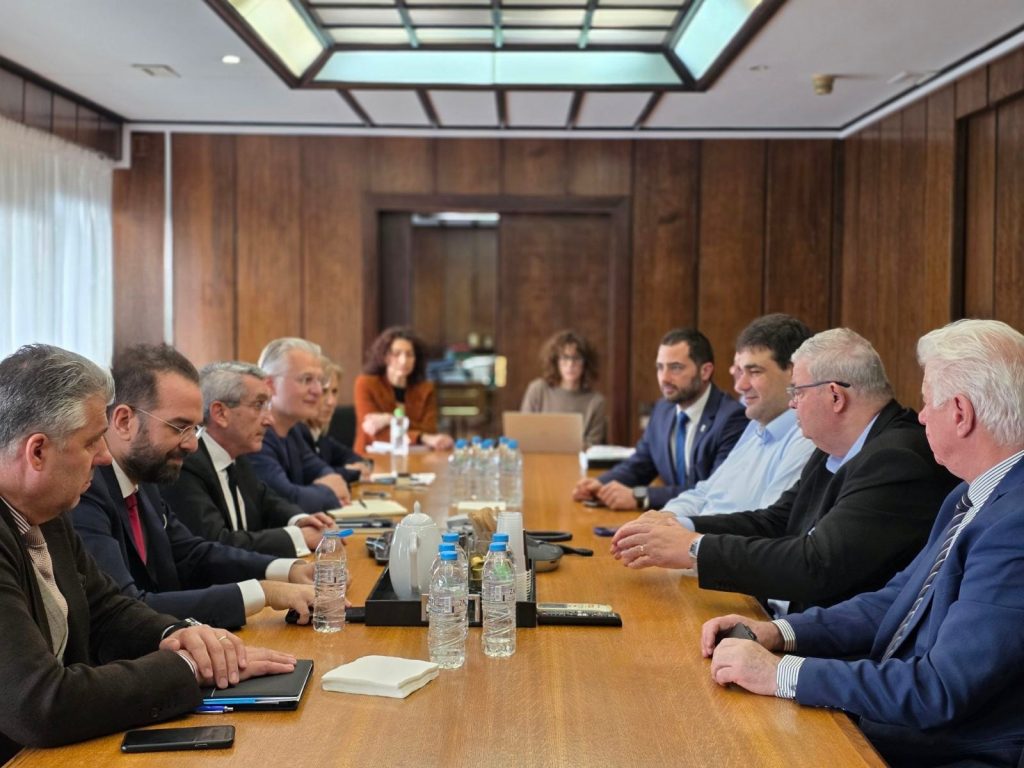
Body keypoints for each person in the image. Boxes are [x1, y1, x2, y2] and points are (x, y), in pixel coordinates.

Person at [703, 319, 1024, 768]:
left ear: (960, 413)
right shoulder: (968, 493)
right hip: (898, 724)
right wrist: (780, 633)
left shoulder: (1014, 524)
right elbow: (894, 602)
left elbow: (939, 689)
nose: (921, 416)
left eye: (928, 401)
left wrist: (781, 674)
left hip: (952, 752)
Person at [0, 344, 296, 762]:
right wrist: (189, 667)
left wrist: (177, 634)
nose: (105, 456)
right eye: (91, 442)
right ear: (37, 452)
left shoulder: (48, 512)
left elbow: (106, 609)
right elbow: (41, 703)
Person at [612, 328, 958, 616]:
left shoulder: (896, 459)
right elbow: (777, 520)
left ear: (835, 397)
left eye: (797, 392)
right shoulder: (835, 446)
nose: (792, 403)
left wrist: (694, 548)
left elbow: (817, 565)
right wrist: (681, 527)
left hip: (833, 648)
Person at [70, 344, 316, 628]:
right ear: (125, 421)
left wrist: (287, 570)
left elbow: (192, 554)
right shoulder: (85, 491)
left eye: (195, 429)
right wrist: (262, 592)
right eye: (179, 427)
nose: (192, 444)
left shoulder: (144, 478)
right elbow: (127, 607)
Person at [161, 361, 335, 557]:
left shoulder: (237, 455)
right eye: (259, 405)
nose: (269, 420)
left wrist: (300, 520)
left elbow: (265, 501)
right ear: (220, 413)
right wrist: (298, 537)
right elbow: (216, 544)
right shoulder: (186, 463)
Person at [652, 314, 815, 520]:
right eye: (740, 372)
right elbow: (704, 492)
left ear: (794, 373)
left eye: (754, 372)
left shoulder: (806, 439)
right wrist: (661, 519)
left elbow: (766, 525)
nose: (740, 386)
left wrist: (681, 529)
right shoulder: (755, 426)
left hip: (705, 538)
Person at [572, 328, 748, 511]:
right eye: (660, 367)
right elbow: (641, 464)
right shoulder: (662, 410)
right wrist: (601, 484)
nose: (664, 378)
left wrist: (642, 497)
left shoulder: (732, 419)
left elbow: (714, 490)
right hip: (668, 520)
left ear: (705, 371)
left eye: (676, 368)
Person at [247, 337, 352, 514]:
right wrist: (328, 492)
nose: (318, 391)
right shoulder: (255, 435)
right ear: (270, 385)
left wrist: (320, 489)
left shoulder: (294, 429)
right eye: (306, 379)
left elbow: (320, 470)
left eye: (319, 381)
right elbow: (288, 500)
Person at [353, 326, 454, 454]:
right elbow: (373, 432)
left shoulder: (426, 389)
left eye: (409, 354)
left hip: (416, 457)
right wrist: (421, 437)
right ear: (384, 357)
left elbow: (430, 430)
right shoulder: (366, 384)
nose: (403, 360)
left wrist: (389, 419)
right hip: (371, 457)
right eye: (396, 354)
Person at [520, 329, 607, 448]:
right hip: (538, 457)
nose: (570, 364)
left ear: (586, 363)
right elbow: (524, 434)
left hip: (578, 459)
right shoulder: (538, 390)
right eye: (565, 358)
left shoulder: (596, 402)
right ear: (555, 361)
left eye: (576, 358)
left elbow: (593, 447)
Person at [297, 357, 371, 485]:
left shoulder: (320, 436)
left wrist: (356, 468)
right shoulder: (296, 435)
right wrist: (350, 471)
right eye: (324, 391)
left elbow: (354, 458)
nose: (331, 401)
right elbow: (314, 476)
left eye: (335, 392)